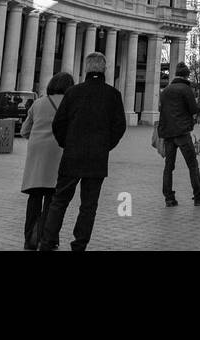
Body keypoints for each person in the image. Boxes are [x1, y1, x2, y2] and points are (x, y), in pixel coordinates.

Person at [37, 53, 126, 251]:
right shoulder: (113, 95)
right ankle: (79, 244)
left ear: (86, 69)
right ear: (104, 69)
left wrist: (67, 143)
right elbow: (119, 126)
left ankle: (47, 241)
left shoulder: (73, 92)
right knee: (89, 205)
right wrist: (105, 145)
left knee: (59, 200)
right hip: (97, 157)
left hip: (72, 155)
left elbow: (58, 123)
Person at [19, 72, 74, 250]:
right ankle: (48, 239)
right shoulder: (70, 104)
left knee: (34, 199)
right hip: (58, 153)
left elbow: (24, 131)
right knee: (53, 200)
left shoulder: (38, 103)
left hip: (37, 155)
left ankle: (30, 240)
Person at [158, 62, 200, 207]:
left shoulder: (166, 91)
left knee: (168, 166)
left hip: (168, 133)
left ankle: (169, 198)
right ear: (186, 74)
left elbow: (161, 110)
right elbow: (194, 109)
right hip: (182, 132)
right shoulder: (186, 89)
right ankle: (199, 196)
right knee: (192, 165)